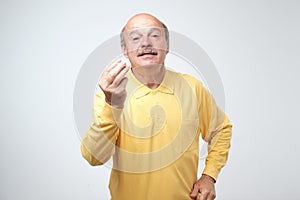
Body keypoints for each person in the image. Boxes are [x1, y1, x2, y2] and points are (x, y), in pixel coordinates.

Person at [81, 13, 232, 200]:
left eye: (154, 35)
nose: (145, 43)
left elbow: (221, 129)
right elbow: (94, 157)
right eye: (135, 38)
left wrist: (209, 176)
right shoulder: (111, 93)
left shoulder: (192, 88)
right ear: (125, 49)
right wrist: (112, 105)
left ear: (166, 46)